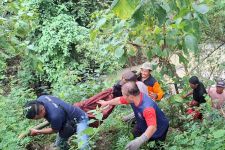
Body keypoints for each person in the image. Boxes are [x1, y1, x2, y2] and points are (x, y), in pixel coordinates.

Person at [98, 82, 169, 150]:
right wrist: (106, 102)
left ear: (131, 96)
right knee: (134, 135)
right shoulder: (135, 97)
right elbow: (119, 100)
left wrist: (140, 140)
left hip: (159, 128)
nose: (123, 96)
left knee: (155, 146)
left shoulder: (147, 108)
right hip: (143, 123)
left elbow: (153, 127)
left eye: (124, 95)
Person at [23, 95, 89, 150]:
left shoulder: (55, 116)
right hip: (65, 119)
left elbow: (54, 130)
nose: (35, 120)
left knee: (83, 146)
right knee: (60, 145)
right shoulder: (41, 98)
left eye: (36, 118)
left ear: (41, 111)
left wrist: (37, 131)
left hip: (80, 119)